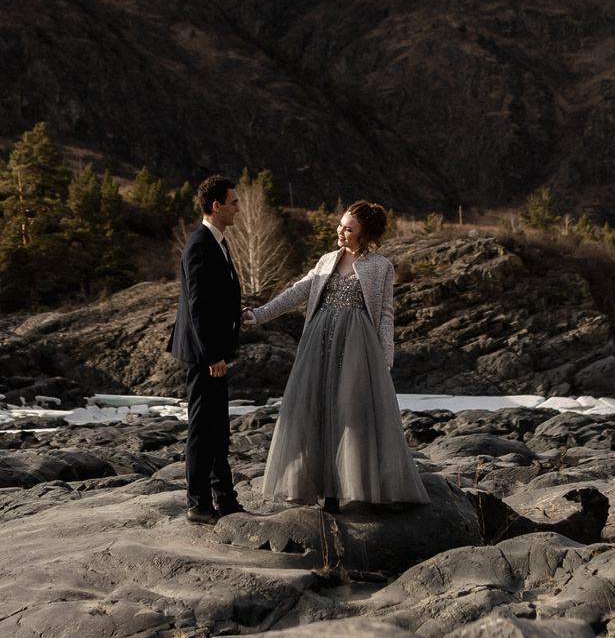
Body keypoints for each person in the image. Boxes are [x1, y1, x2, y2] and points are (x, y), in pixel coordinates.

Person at [243, 199, 426, 508]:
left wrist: (385, 357)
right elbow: (297, 292)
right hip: (321, 343)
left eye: (348, 228)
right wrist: (259, 315)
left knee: (351, 412)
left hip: (359, 347)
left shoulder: (381, 266)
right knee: (317, 410)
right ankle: (321, 490)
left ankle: (350, 488)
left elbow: (385, 315)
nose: (340, 231)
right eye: (340, 225)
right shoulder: (327, 260)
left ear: (365, 234)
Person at [169, 174, 244, 524]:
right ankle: (198, 503)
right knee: (203, 428)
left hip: (212, 352)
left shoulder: (217, 241)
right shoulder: (200, 243)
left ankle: (224, 497)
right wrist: (213, 355)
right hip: (202, 355)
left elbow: (217, 296)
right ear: (216, 206)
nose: (237, 207)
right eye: (233, 202)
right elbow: (198, 306)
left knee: (219, 427)